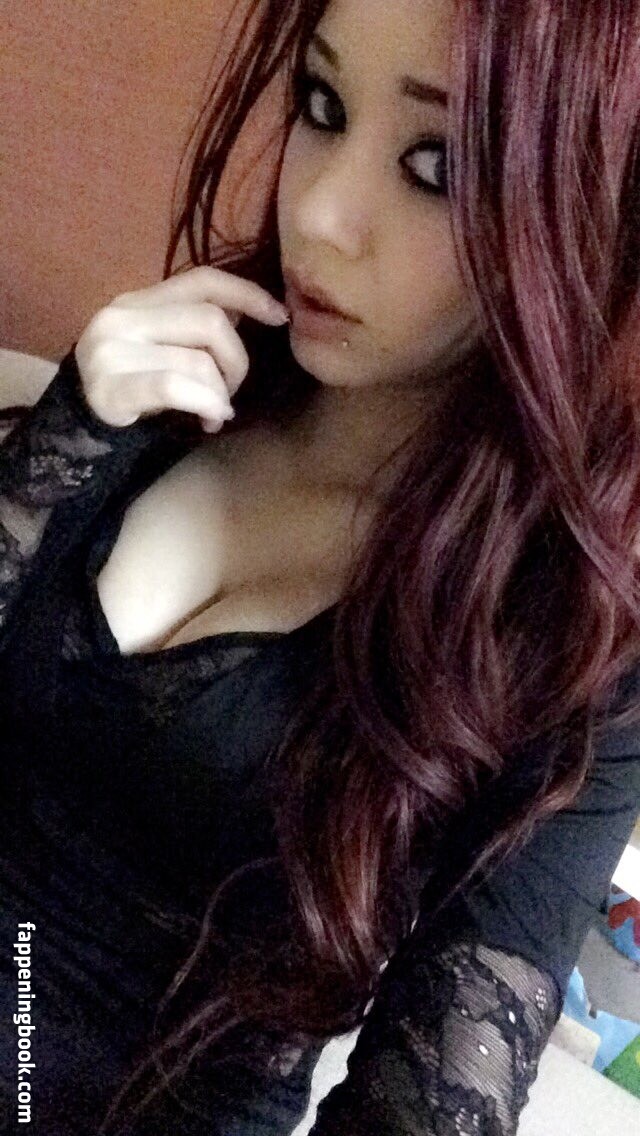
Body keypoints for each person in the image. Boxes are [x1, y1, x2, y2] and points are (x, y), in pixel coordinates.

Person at [1, 0, 640, 1132]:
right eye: (323, 104)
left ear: (582, 211)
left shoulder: (566, 650)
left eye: (438, 167)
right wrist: (67, 431)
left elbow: (433, 1096)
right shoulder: (162, 388)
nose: (318, 215)